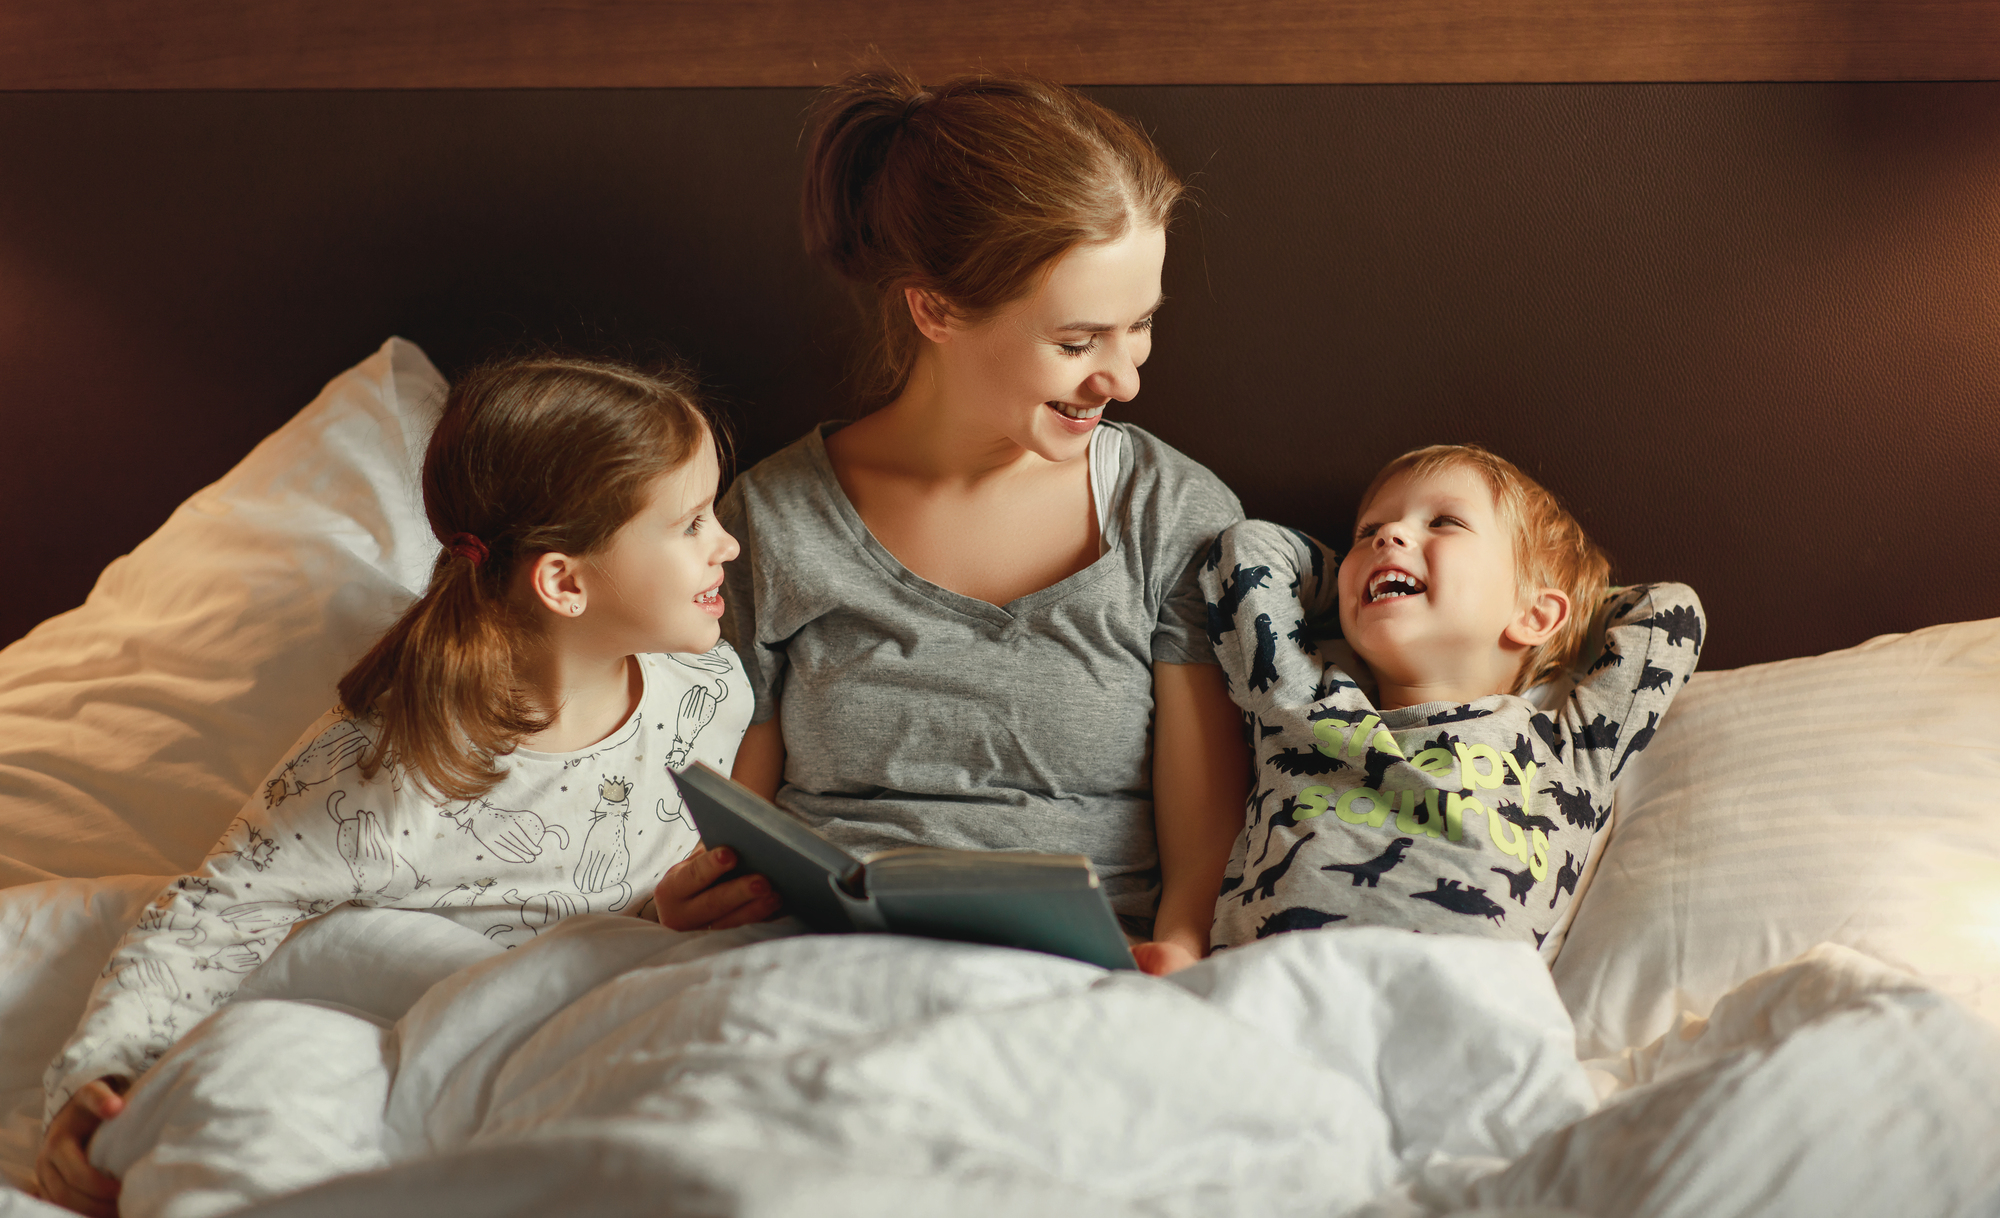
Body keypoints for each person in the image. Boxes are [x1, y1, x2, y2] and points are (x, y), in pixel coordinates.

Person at [36, 355, 765, 1216]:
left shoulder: (708, 694)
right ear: (564, 581)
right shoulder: (393, 767)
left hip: (567, 1043)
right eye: (689, 524)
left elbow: (625, 884)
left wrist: (670, 911)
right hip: (389, 1027)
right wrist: (101, 1076)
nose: (729, 543)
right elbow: (219, 911)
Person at [693, 68, 1250, 977]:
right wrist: (698, 887)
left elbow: (1202, 837)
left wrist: (1179, 949)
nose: (1126, 378)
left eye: (1139, 325)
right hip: (818, 967)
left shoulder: (1169, 515)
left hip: (1085, 976)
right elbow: (728, 821)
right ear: (935, 309)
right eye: (1076, 344)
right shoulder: (768, 519)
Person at [1200, 444, 1704, 950]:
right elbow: (1247, 548)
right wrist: (1362, 582)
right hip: (1271, 988)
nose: (1389, 535)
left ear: (1537, 615)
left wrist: (1548, 609)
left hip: (1461, 996)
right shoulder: (1298, 697)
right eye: (1366, 532)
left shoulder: (1570, 755)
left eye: (1443, 522)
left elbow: (1668, 611)